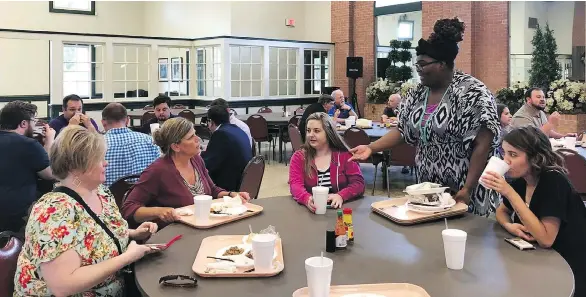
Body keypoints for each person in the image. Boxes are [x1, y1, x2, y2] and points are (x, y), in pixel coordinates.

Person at [350, 18, 501, 217]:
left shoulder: (473, 93)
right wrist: (371, 148)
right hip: (429, 188)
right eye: (417, 64)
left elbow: (483, 144)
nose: (418, 69)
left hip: (466, 187)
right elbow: (402, 130)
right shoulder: (416, 93)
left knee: (468, 242)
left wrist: (468, 189)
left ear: (443, 64)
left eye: (422, 64)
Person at [13, 125, 159, 297]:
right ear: (78, 165)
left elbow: (93, 235)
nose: (106, 163)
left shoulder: (101, 192)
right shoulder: (54, 212)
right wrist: (128, 257)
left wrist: (133, 233)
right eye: (100, 159)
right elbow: (64, 286)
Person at [481, 126, 586, 297]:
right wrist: (510, 226)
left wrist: (508, 191)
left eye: (513, 155)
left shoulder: (553, 181)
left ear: (535, 157)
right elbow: (501, 211)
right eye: (504, 153)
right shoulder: (523, 180)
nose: (506, 160)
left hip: (569, 266)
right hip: (541, 260)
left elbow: (546, 239)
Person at [121, 117, 251, 227]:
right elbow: (129, 208)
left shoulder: (196, 159)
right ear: (176, 146)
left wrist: (231, 194)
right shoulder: (157, 171)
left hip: (203, 226)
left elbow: (212, 190)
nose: (198, 139)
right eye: (191, 137)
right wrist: (158, 211)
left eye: (195, 134)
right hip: (175, 233)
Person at [289, 112, 365, 212]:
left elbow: (358, 184)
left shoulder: (345, 155)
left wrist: (341, 196)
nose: (311, 135)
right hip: (311, 212)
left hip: (340, 211)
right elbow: (295, 185)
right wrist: (306, 198)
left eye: (317, 131)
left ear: (328, 133)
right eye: (308, 130)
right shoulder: (299, 157)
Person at [0, 101, 55, 234]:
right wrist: (50, 141)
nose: (35, 124)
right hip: (18, 217)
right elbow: (50, 173)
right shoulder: (28, 144)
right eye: (34, 121)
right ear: (24, 123)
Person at [102, 103, 161, 187]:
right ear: (127, 120)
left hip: (109, 198)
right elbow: (160, 171)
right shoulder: (149, 140)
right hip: (145, 197)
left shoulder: (96, 145)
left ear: (103, 122)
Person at [202, 106, 253, 191]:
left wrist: (197, 155)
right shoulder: (237, 129)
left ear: (211, 122)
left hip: (230, 183)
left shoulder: (220, 134)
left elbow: (208, 164)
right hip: (244, 180)